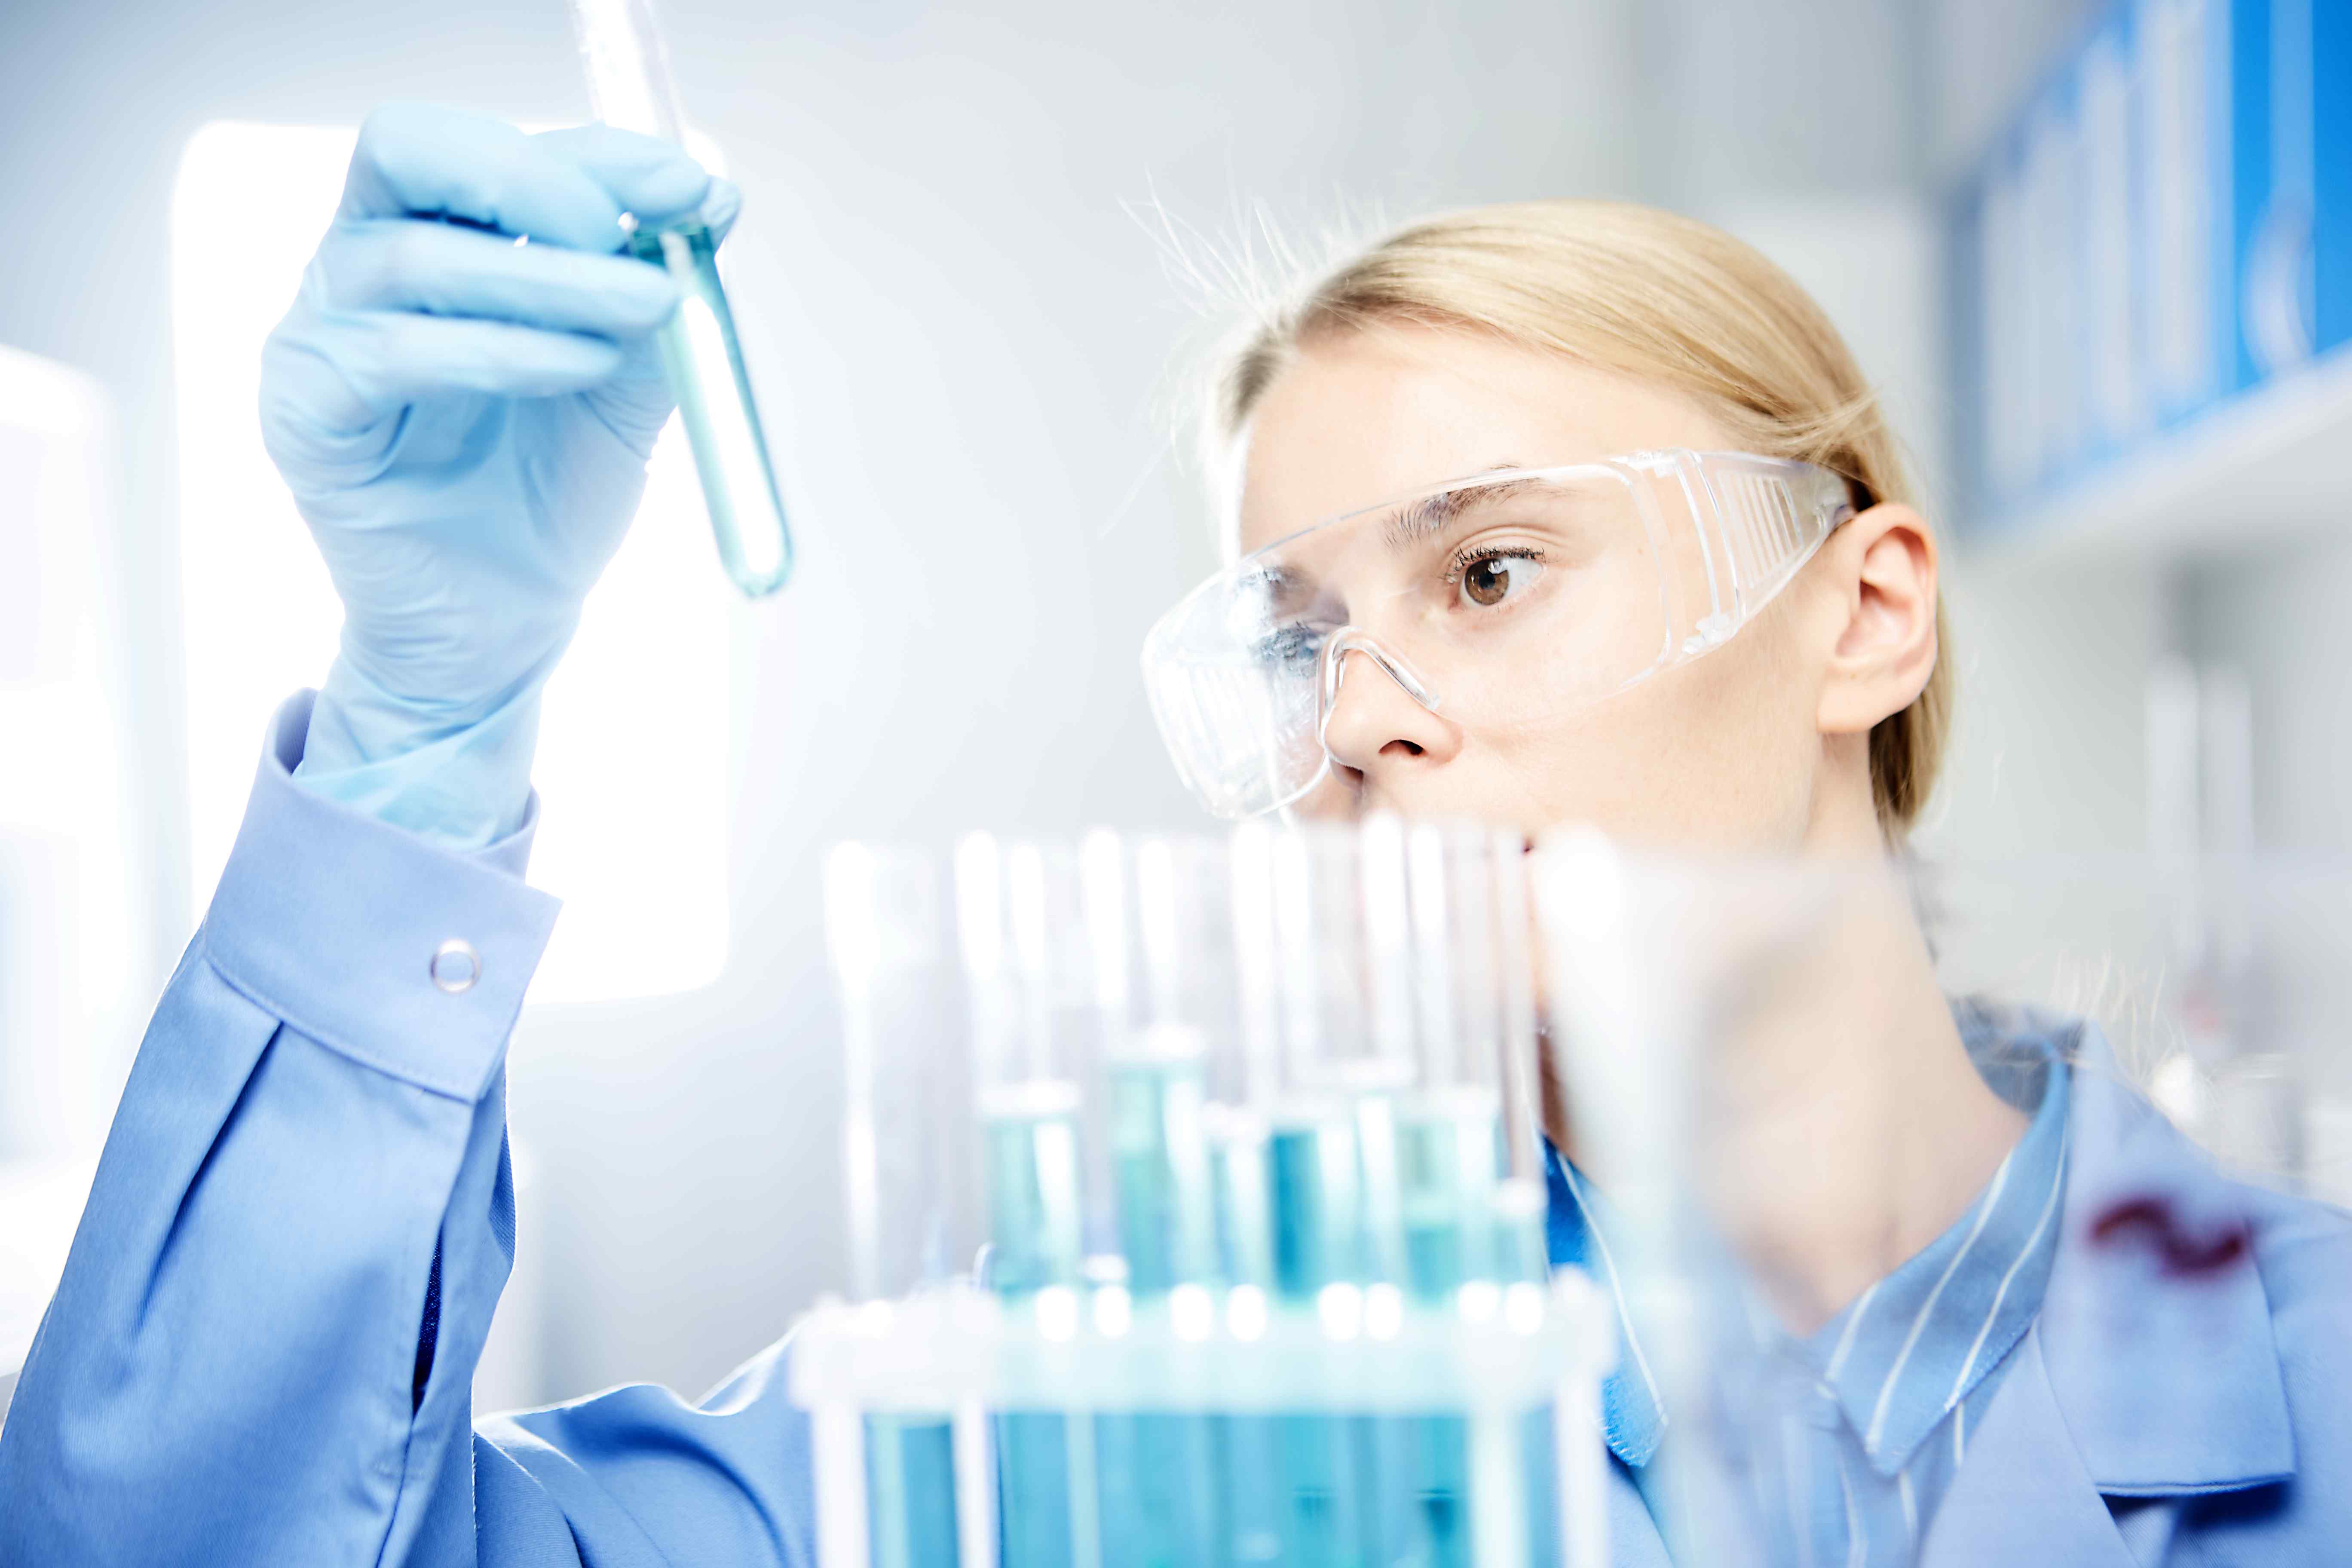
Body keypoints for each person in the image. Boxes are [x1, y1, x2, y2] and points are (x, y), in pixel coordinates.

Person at [0, 100, 2344, 1567]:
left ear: (1869, 618)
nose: (1366, 726)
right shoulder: (1132, 1404)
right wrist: (429, 727)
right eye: (1295, 646)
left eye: (1492, 573)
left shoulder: (2313, 1376)